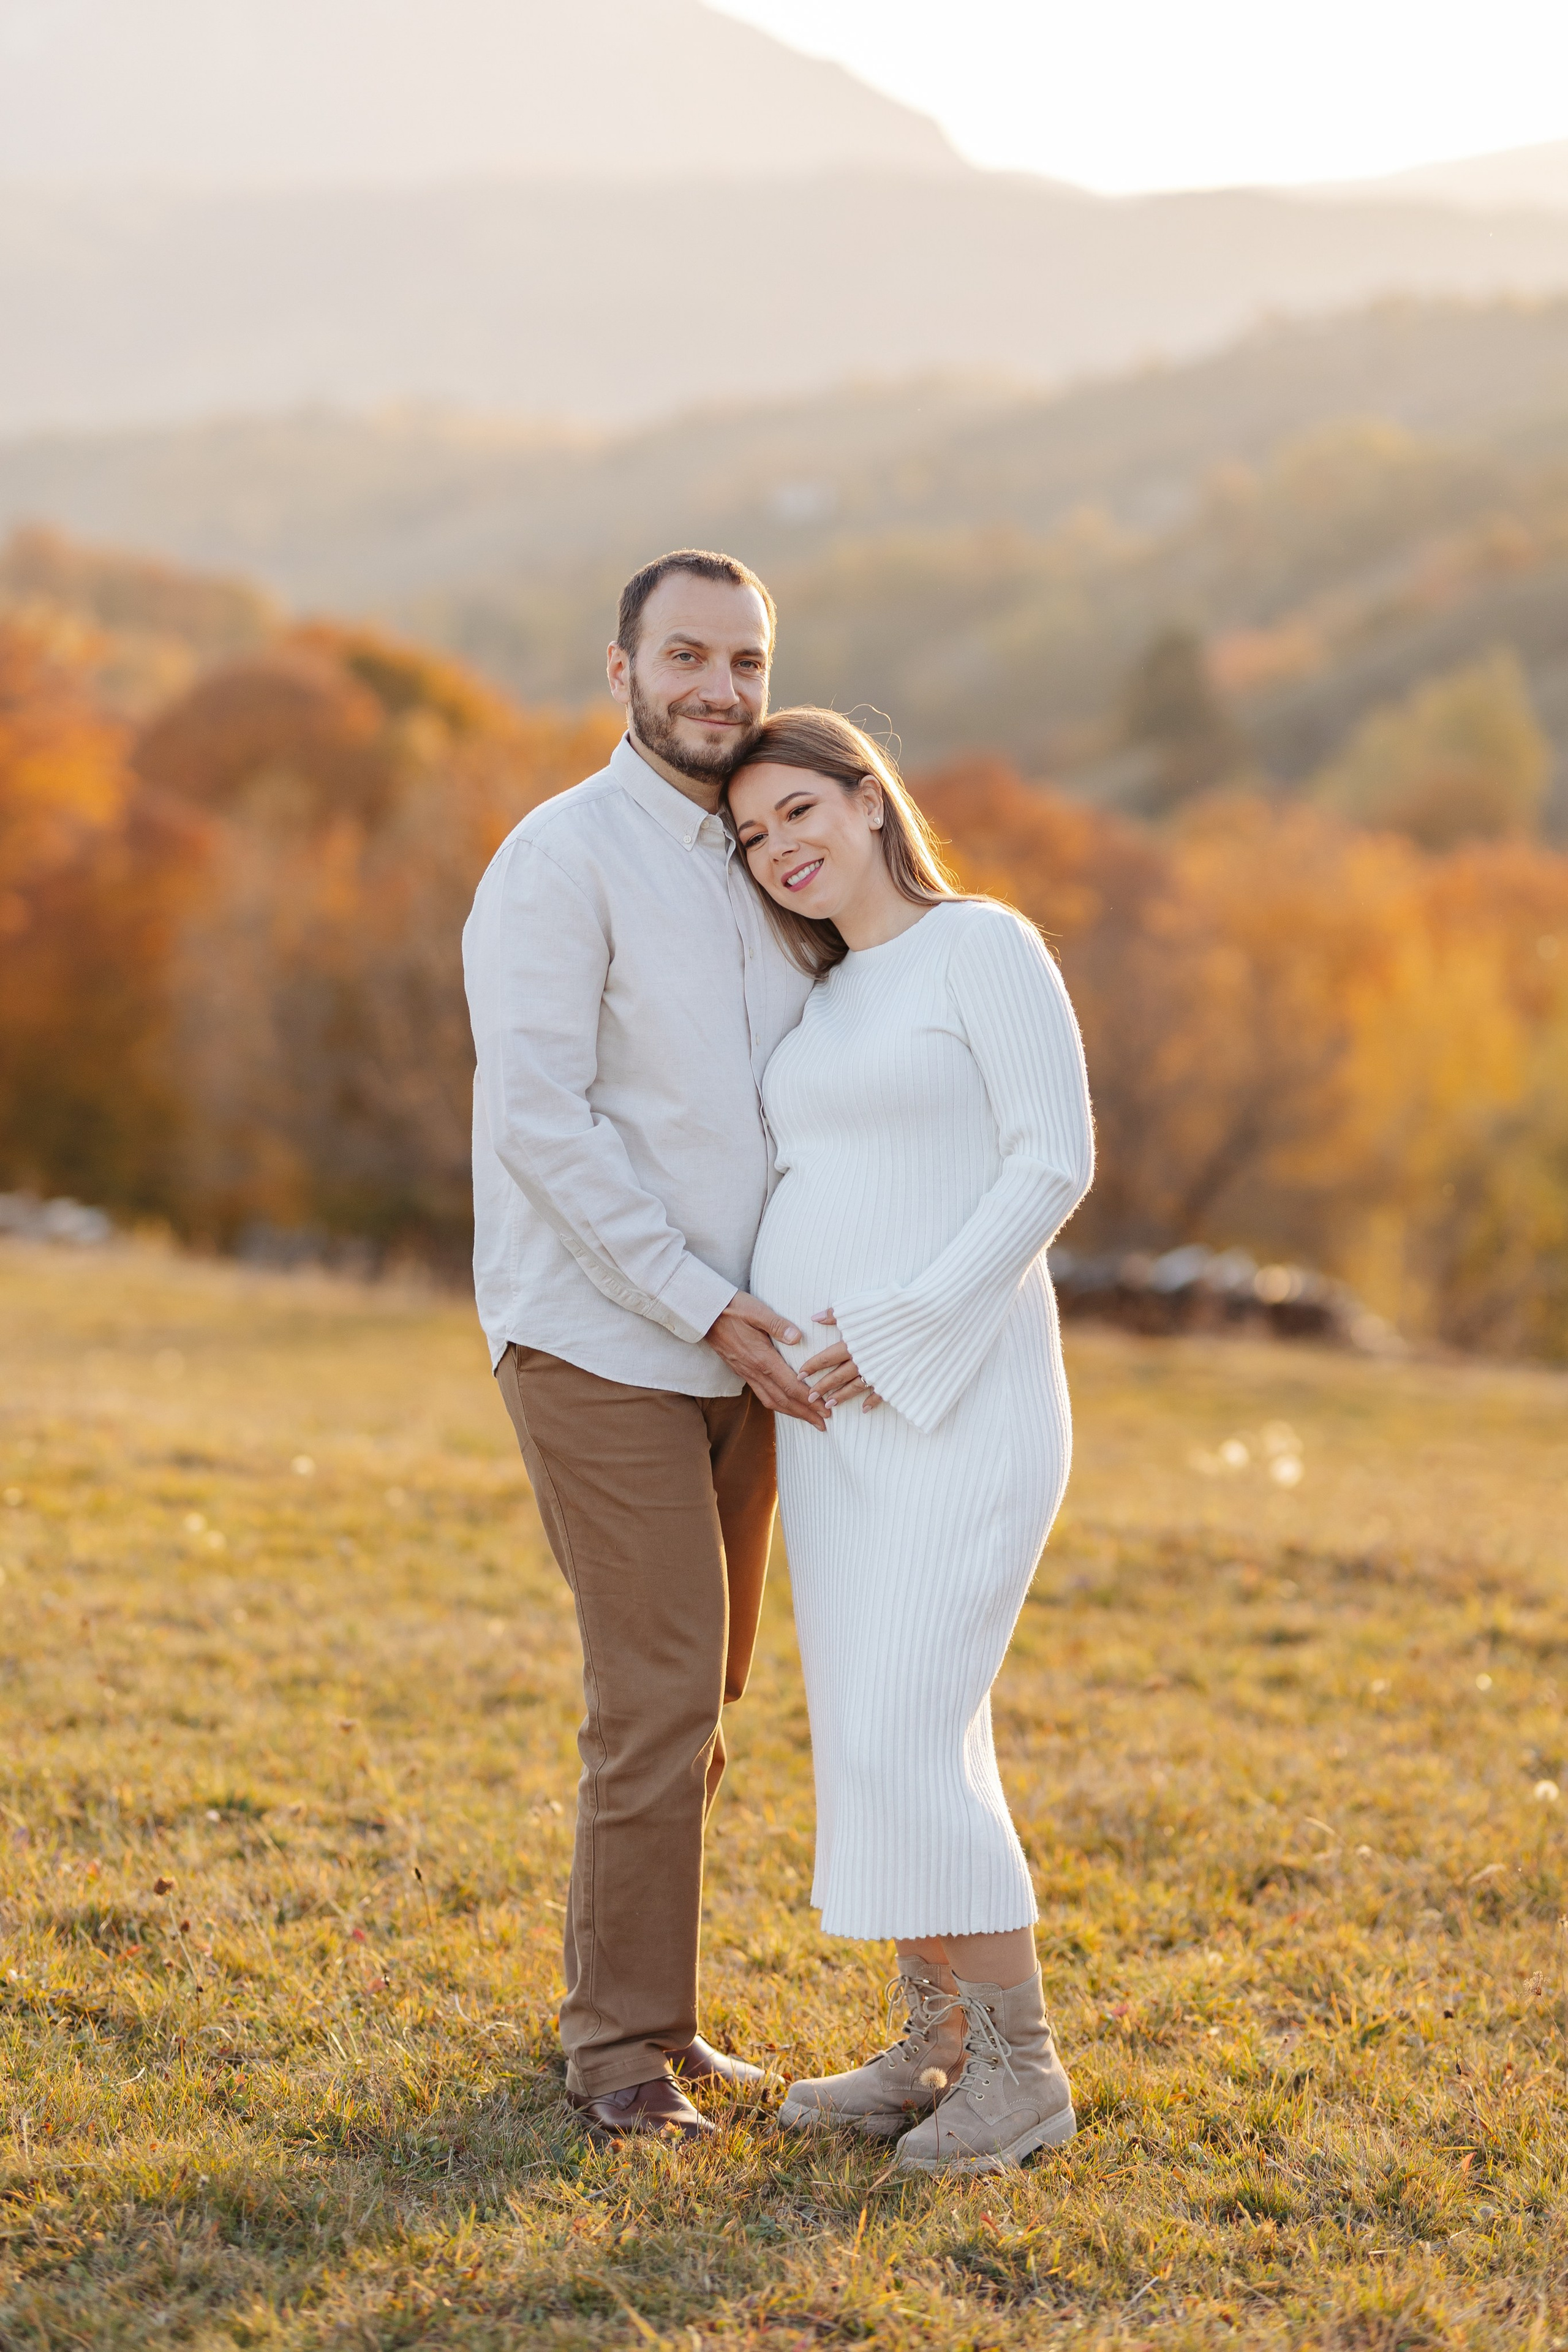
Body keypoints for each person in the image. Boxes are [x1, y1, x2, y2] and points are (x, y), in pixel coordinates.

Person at [462, 551, 826, 2144]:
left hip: (748, 1349)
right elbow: (540, 1116)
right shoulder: (560, 859)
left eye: (743, 661)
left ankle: (662, 2023)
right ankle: (616, 2054)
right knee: (660, 1687)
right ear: (620, 671)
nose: (719, 689)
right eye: (686, 656)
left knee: (708, 1688)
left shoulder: (766, 853)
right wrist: (694, 1298)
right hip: (605, 1333)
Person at [727, 707, 1095, 2176]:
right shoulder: (819, 1005)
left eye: (800, 811)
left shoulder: (981, 946)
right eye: (753, 837)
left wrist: (892, 1327)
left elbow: (1049, 1159)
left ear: (870, 801)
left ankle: (1023, 2074)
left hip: (961, 1401)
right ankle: (929, 2037)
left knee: (904, 1731)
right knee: (881, 1734)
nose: (781, 850)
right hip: (832, 1425)